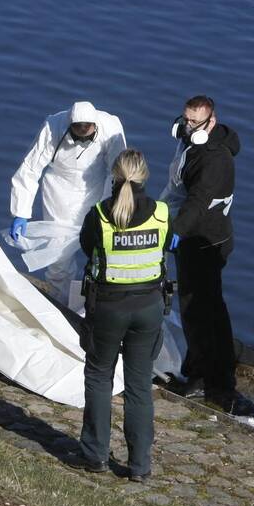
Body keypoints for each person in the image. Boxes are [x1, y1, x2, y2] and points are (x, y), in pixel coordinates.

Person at [73, 149, 172, 480]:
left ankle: (95, 455)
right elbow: (168, 246)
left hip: (109, 308)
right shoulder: (161, 214)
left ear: (114, 178)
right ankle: (140, 466)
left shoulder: (99, 215)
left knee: (100, 377)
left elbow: (88, 248)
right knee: (139, 386)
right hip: (149, 308)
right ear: (144, 177)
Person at [160, 95, 240, 410]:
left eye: (194, 122)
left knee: (200, 311)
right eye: (185, 119)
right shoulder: (192, 145)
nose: (187, 126)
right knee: (205, 309)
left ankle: (209, 380)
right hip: (202, 236)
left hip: (204, 241)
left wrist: (177, 232)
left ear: (211, 121)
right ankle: (201, 371)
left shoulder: (214, 159)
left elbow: (199, 199)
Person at [9, 101, 127, 306]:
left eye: (86, 129)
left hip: (96, 189)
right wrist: (21, 211)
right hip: (59, 192)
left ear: (95, 125)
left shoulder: (111, 127)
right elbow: (31, 168)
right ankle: (59, 302)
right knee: (58, 255)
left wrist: (107, 206)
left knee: (100, 250)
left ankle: (95, 303)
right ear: (69, 124)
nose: (81, 133)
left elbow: (117, 171)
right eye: (76, 129)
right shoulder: (53, 126)